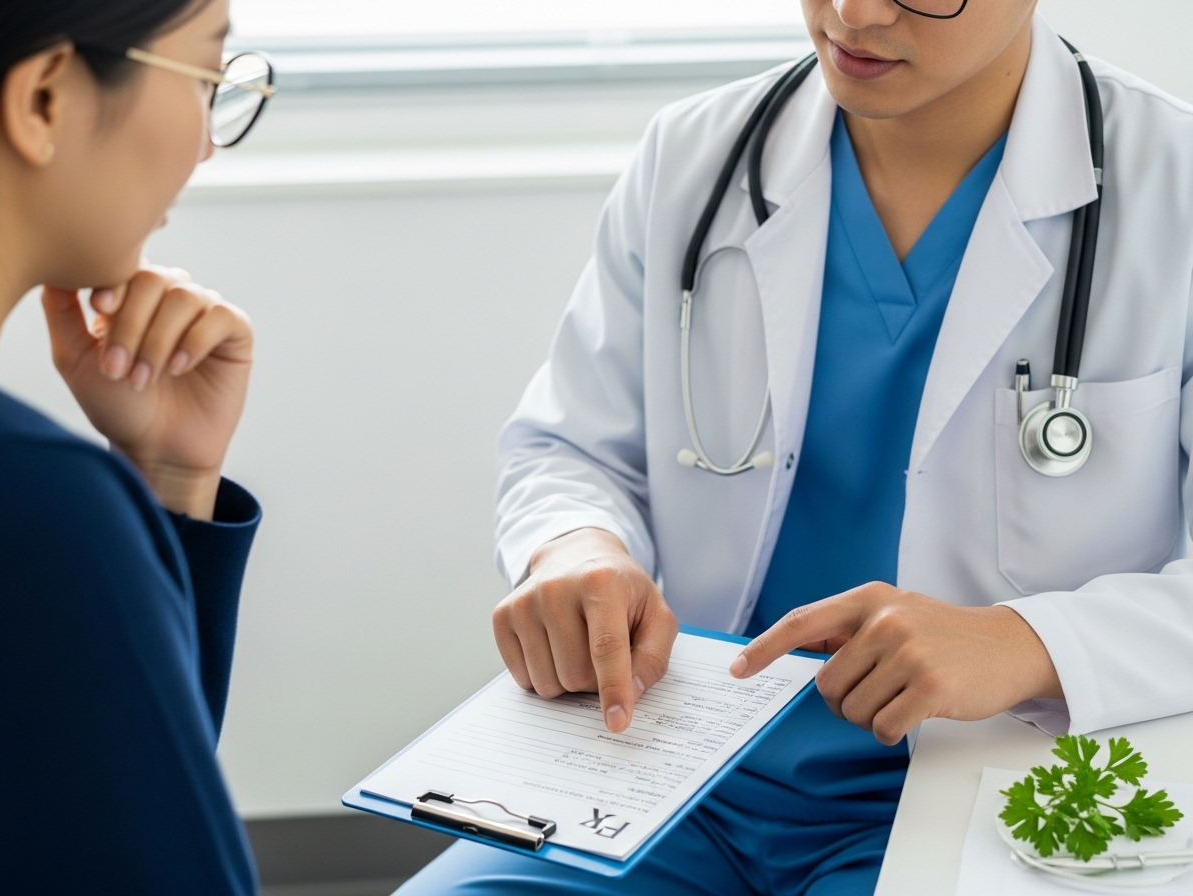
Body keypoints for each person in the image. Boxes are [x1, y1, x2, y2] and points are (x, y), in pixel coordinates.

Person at [398, 0, 1193, 893]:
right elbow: (573, 444)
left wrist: (1027, 641)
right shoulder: (692, 157)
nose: (853, 13)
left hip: (986, 788)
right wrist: (577, 544)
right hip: (672, 774)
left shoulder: (1174, 188)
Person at [0, 0, 276, 891]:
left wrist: (172, 481)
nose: (207, 145)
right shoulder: (15, 507)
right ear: (42, 100)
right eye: (204, 77)